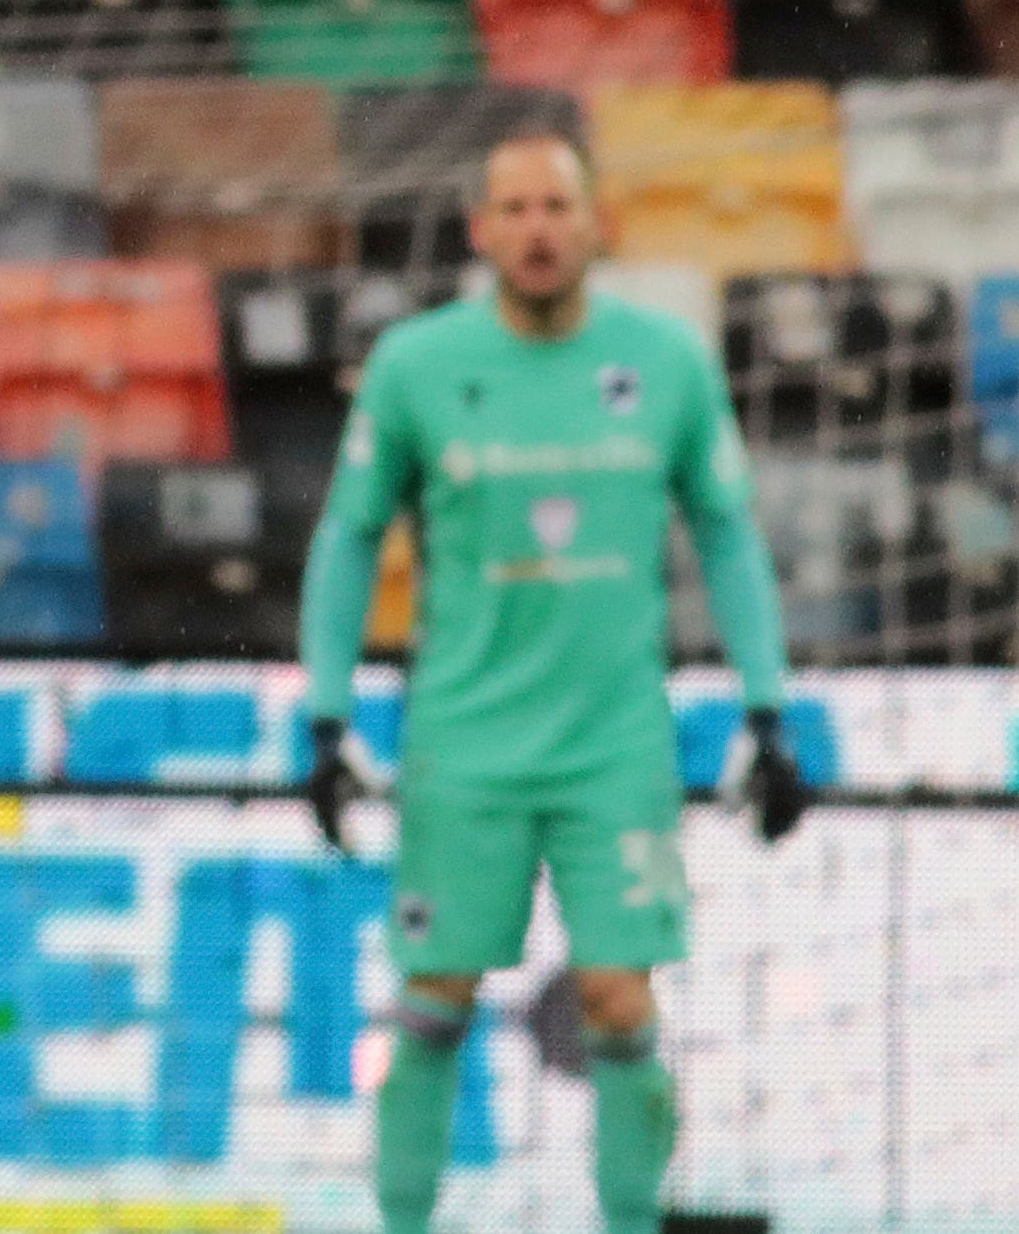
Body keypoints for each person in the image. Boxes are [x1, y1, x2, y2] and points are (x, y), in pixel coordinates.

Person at [296, 129, 812, 1234]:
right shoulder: (414, 364)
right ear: (480, 230)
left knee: (619, 995)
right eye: (513, 208)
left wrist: (764, 706)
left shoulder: (664, 362)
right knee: (433, 995)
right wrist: (322, 713)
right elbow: (347, 535)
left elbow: (725, 532)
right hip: (461, 744)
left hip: (613, 744)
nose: (535, 227)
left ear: (594, 224)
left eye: (554, 205)